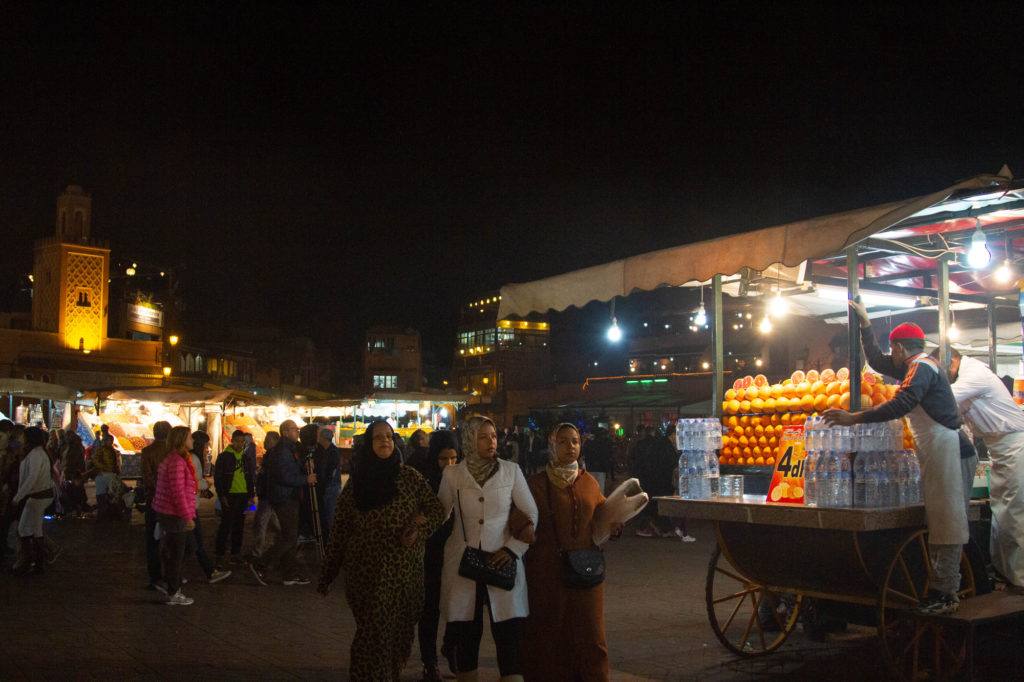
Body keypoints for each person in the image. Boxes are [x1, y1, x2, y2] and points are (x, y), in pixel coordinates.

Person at [824, 304, 970, 615]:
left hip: (950, 448)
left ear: (900, 349)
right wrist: (866, 326)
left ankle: (946, 592)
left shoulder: (922, 368)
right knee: (941, 519)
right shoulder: (914, 366)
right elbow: (877, 362)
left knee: (948, 521)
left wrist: (854, 418)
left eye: (893, 350)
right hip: (937, 449)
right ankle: (942, 588)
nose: (891, 356)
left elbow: (900, 404)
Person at [318, 420, 446, 681]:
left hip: (405, 576)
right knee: (372, 634)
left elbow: (436, 510)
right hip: (367, 575)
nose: (385, 441)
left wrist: (419, 528)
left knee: (399, 636)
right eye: (378, 437)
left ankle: (389, 674)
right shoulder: (356, 484)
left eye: (388, 436)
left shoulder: (410, 478)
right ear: (369, 443)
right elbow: (340, 530)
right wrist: (328, 574)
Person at [519, 423, 626, 680]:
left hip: (586, 572)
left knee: (591, 635)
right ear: (552, 445)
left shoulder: (589, 482)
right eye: (563, 441)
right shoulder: (536, 484)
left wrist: (615, 524)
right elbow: (519, 516)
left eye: (575, 441)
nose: (570, 447)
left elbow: (602, 515)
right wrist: (524, 528)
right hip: (547, 573)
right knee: (549, 634)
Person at [438, 415, 539, 681]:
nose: (490, 441)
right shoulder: (453, 474)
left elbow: (531, 514)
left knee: (508, 634)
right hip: (464, 562)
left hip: (501, 560)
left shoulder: (511, 471)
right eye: (482, 437)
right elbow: (440, 513)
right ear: (469, 440)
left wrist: (512, 550)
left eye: (493, 436)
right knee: (467, 633)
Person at [939, 347, 1024, 592]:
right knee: (1002, 513)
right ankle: (1005, 573)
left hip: (1014, 445)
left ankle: (1019, 579)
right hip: (999, 448)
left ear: (952, 360)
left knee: (1014, 513)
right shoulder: (965, 377)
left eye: (940, 368)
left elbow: (944, 398)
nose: (940, 375)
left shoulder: (974, 374)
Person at [409, 429, 460, 681]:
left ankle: (450, 646)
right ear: (434, 457)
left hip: (456, 551)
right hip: (430, 553)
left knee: (457, 605)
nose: (449, 464)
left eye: (453, 458)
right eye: (443, 459)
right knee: (430, 609)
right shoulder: (424, 480)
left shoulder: (463, 478)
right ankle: (429, 662)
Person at [248, 420, 316, 586]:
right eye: (294, 429)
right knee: (289, 536)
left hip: (289, 496)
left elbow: (290, 469)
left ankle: (288, 573)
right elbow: (284, 476)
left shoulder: (289, 448)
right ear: (285, 431)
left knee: (289, 535)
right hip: (285, 498)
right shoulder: (282, 450)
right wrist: (305, 479)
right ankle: (261, 563)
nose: (297, 432)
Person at [152, 426, 198, 605]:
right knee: (178, 553)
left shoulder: (178, 459)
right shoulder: (176, 462)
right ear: (181, 440)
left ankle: (170, 580)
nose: (192, 440)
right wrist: (187, 516)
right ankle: (173, 590)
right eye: (190, 437)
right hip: (174, 513)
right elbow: (178, 492)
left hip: (173, 512)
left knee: (186, 548)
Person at [189, 431, 231, 585]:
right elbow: (194, 481)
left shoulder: (189, 457)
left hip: (188, 504)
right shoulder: (193, 458)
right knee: (196, 541)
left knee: (187, 543)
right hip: (188, 506)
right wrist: (205, 484)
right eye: (206, 444)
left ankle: (173, 574)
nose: (207, 448)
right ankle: (210, 572)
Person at [11, 427, 53, 575]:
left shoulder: (36, 454)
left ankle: (32, 562)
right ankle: (34, 561)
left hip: (37, 496)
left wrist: (18, 497)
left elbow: (31, 478)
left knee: (30, 529)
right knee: (28, 529)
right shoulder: (37, 453)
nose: (21, 439)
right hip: (36, 496)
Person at [214, 429, 256, 569]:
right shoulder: (224, 457)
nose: (240, 444)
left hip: (243, 495)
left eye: (242, 441)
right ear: (232, 441)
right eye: (237, 441)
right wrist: (222, 495)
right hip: (230, 495)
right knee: (226, 525)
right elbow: (218, 478)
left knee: (239, 525)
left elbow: (249, 477)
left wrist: (251, 495)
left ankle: (235, 553)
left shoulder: (245, 457)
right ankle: (219, 554)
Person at [140, 421, 172, 590]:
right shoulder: (174, 452)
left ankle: (155, 576)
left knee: (153, 539)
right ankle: (171, 575)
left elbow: (147, 478)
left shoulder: (147, 452)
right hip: (171, 501)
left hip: (154, 500)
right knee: (171, 539)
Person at [251, 431, 281, 561]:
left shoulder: (274, 456)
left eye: (268, 440)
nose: (264, 442)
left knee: (260, 523)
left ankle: (257, 552)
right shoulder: (270, 455)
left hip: (268, 495)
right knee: (274, 523)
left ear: (275, 441)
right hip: (268, 495)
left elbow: (271, 477)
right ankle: (284, 544)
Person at [314, 426, 342, 536]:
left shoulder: (333, 452)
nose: (318, 439)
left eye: (319, 437)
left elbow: (331, 472)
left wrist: (324, 484)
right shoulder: (325, 450)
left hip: (331, 488)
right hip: (328, 487)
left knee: (330, 514)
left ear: (323, 438)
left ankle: (332, 537)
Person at [89, 433, 121, 521]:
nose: (111, 442)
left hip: (110, 474)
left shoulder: (111, 450)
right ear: (106, 441)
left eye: (112, 441)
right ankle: (102, 513)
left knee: (109, 493)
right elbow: (94, 459)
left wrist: (116, 470)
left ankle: (107, 512)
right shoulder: (101, 449)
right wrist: (103, 467)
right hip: (103, 474)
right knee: (101, 494)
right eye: (110, 440)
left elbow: (114, 463)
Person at [581, 428, 613, 494]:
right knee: (600, 489)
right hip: (601, 468)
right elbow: (606, 455)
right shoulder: (604, 443)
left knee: (591, 488)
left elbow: (584, 453)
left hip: (591, 467)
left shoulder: (588, 442)